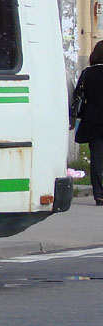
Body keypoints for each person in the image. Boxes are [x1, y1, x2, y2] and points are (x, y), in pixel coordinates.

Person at [72, 40, 103, 205]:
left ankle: (99, 195)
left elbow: (78, 96)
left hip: (93, 122)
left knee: (97, 158)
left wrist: (73, 118)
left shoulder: (87, 73)